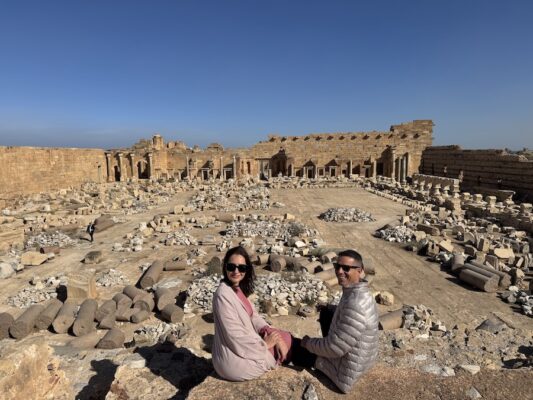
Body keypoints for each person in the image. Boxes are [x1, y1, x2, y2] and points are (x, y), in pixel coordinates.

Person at [300, 249, 379, 394]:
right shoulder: (360, 291)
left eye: (346, 268)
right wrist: (329, 308)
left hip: (344, 373)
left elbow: (334, 348)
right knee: (326, 312)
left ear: (360, 270)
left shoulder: (355, 304)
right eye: (337, 266)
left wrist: (308, 343)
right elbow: (351, 318)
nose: (339, 271)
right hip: (361, 359)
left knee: (294, 346)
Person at [212, 246, 293, 381]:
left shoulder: (236, 289)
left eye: (241, 268)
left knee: (283, 337)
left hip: (242, 348)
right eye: (231, 267)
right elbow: (235, 335)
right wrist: (265, 345)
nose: (236, 271)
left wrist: (269, 331)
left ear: (247, 269)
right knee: (287, 344)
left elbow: (253, 316)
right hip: (235, 362)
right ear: (225, 267)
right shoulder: (223, 295)